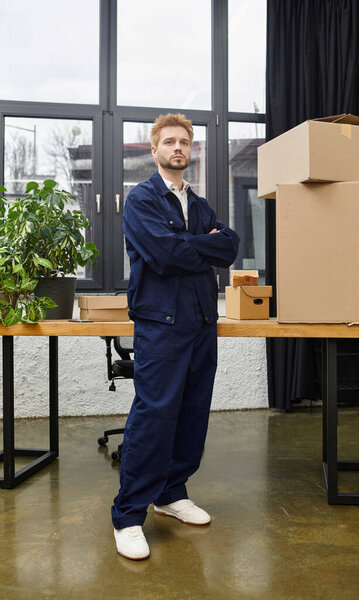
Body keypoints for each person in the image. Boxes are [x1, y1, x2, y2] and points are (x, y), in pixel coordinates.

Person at [112, 113, 239, 560]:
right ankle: (128, 515)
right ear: (154, 150)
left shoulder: (198, 204)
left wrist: (188, 241)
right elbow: (164, 256)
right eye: (169, 142)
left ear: (192, 150)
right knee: (155, 416)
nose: (178, 148)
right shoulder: (141, 200)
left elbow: (230, 245)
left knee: (192, 412)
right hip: (161, 325)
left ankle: (171, 493)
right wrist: (194, 244)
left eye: (185, 141)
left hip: (203, 322)